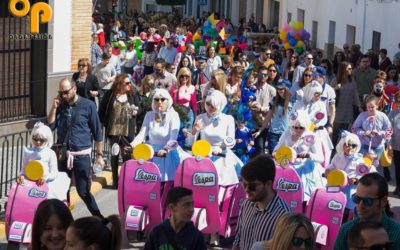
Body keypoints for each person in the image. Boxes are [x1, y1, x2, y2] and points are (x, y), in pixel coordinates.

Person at [47, 77, 104, 218]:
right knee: (62, 190)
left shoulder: (88, 105)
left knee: (83, 191)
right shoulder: (60, 105)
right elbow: (51, 126)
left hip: (81, 155)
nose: (63, 96)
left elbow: (97, 132)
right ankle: (67, 222)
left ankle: (100, 219)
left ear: (74, 89)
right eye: (61, 93)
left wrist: (99, 156)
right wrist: (53, 108)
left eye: (66, 92)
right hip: (63, 154)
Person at [233, 155, 291, 250]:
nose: (247, 190)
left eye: (252, 186)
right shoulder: (246, 204)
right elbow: (238, 240)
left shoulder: (284, 216)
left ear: (268, 184)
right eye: (244, 184)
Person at [130, 88, 187, 182]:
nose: (159, 102)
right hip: (152, 153)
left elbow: (173, 137)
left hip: (168, 152)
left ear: (168, 101)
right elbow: (142, 134)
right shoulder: (149, 115)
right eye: (156, 99)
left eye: (162, 99)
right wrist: (132, 145)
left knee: (168, 183)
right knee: (148, 183)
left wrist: (166, 149)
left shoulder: (173, 115)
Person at [187, 90, 243, 185]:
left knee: (222, 186)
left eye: (213, 105)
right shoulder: (200, 117)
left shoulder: (228, 119)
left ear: (220, 106)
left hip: (221, 157)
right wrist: (194, 131)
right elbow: (192, 144)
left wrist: (220, 149)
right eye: (208, 104)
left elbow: (231, 141)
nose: (209, 107)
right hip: (204, 156)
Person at [334, 173, 400, 250]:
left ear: (384, 201)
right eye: (357, 199)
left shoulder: (396, 234)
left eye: (368, 201)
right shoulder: (345, 230)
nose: (360, 206)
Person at [273, 109, 327, 201]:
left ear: (305, 126)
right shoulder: (286, 133)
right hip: (287, 169)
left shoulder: (312, 137)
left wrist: (309, 155)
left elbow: (321, 158)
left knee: (303, 199)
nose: (298, 130)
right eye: (295, 127)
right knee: (285, 197)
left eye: (301, 128)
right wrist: (276, 154)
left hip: (306, 172)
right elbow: (277, 149)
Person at [98, 74, 140, 189]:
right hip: (113, 130)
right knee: (114, 156)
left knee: (127, 156)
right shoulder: (110, 95)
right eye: (126, 83)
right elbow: (101, 111)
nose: (129, 85)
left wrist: (135, 112)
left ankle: (126, 181)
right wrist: (101, 125)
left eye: (129, 83)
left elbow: (139, 108)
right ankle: (116, 182)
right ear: (120, 84)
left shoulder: (132, 94)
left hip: (127, 131)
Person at [17, 122, 70, 201]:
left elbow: (54, 172)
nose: (38, 142)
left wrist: (46, 177)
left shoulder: (50, 153)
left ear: (47, 139)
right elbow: (24, 169)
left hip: (46, 187)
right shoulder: (28, 152)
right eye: (35, 139)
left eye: (42, 140)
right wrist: (21, 176)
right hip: (30, 187)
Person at [352, 95, 392, 180]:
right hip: (364, 146)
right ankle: (363, 183)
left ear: (377, 106)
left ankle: (374, 185)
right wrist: (363, 133)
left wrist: (380, 133)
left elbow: (389, 130)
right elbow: (354, 129)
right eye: (368, 107)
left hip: (378, 147)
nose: (370, 109)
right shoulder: (362, 115)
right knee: (363, 166)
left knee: (375, 168)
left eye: (372, 107)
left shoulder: (383, 116)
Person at [254, 79, 292, 154]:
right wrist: (260, 130)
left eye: (282, 89)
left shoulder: (293, 101)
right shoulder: (274, 100)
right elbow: (268, 116)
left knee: (284, 157)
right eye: (278, 89)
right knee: (273, 156)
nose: (279, 91)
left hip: (286, 134)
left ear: (287, 89)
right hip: (273, 133)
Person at [330, 61, 361, 146]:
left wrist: (359, 106)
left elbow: (355, 94)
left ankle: (343, 153)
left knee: (345, 135)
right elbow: (328, 93)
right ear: (343, 70)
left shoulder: (352, 80)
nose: (351, 70)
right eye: (349, 69)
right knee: (335, 135)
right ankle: (332, 154)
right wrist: (335, 88)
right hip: (338, 110)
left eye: (351, 68)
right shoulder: (335, 80)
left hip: (348, 110)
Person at [251, 213, 315, 250]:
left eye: (308, 242)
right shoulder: (259, 248)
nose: (303, 247)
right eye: (297, 241)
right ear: (284, 239)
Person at [169, 67, 197, 146]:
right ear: (179, 76)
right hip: (176, 113)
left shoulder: (192, 88)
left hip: (188, 114)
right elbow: (170, 102)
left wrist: (195, 117)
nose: (184, 78)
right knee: (176, 136)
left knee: (187, 138)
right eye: (182, 76)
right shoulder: (174, 87)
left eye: (187, 76)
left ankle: (187, 155)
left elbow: (194, 103)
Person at [388, 91, 400, 196]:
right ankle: (398, 186)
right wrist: (390, 145)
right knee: (397, 168)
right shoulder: (392, 113)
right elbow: (389, 131)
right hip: (396, 146)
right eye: (399, 101)